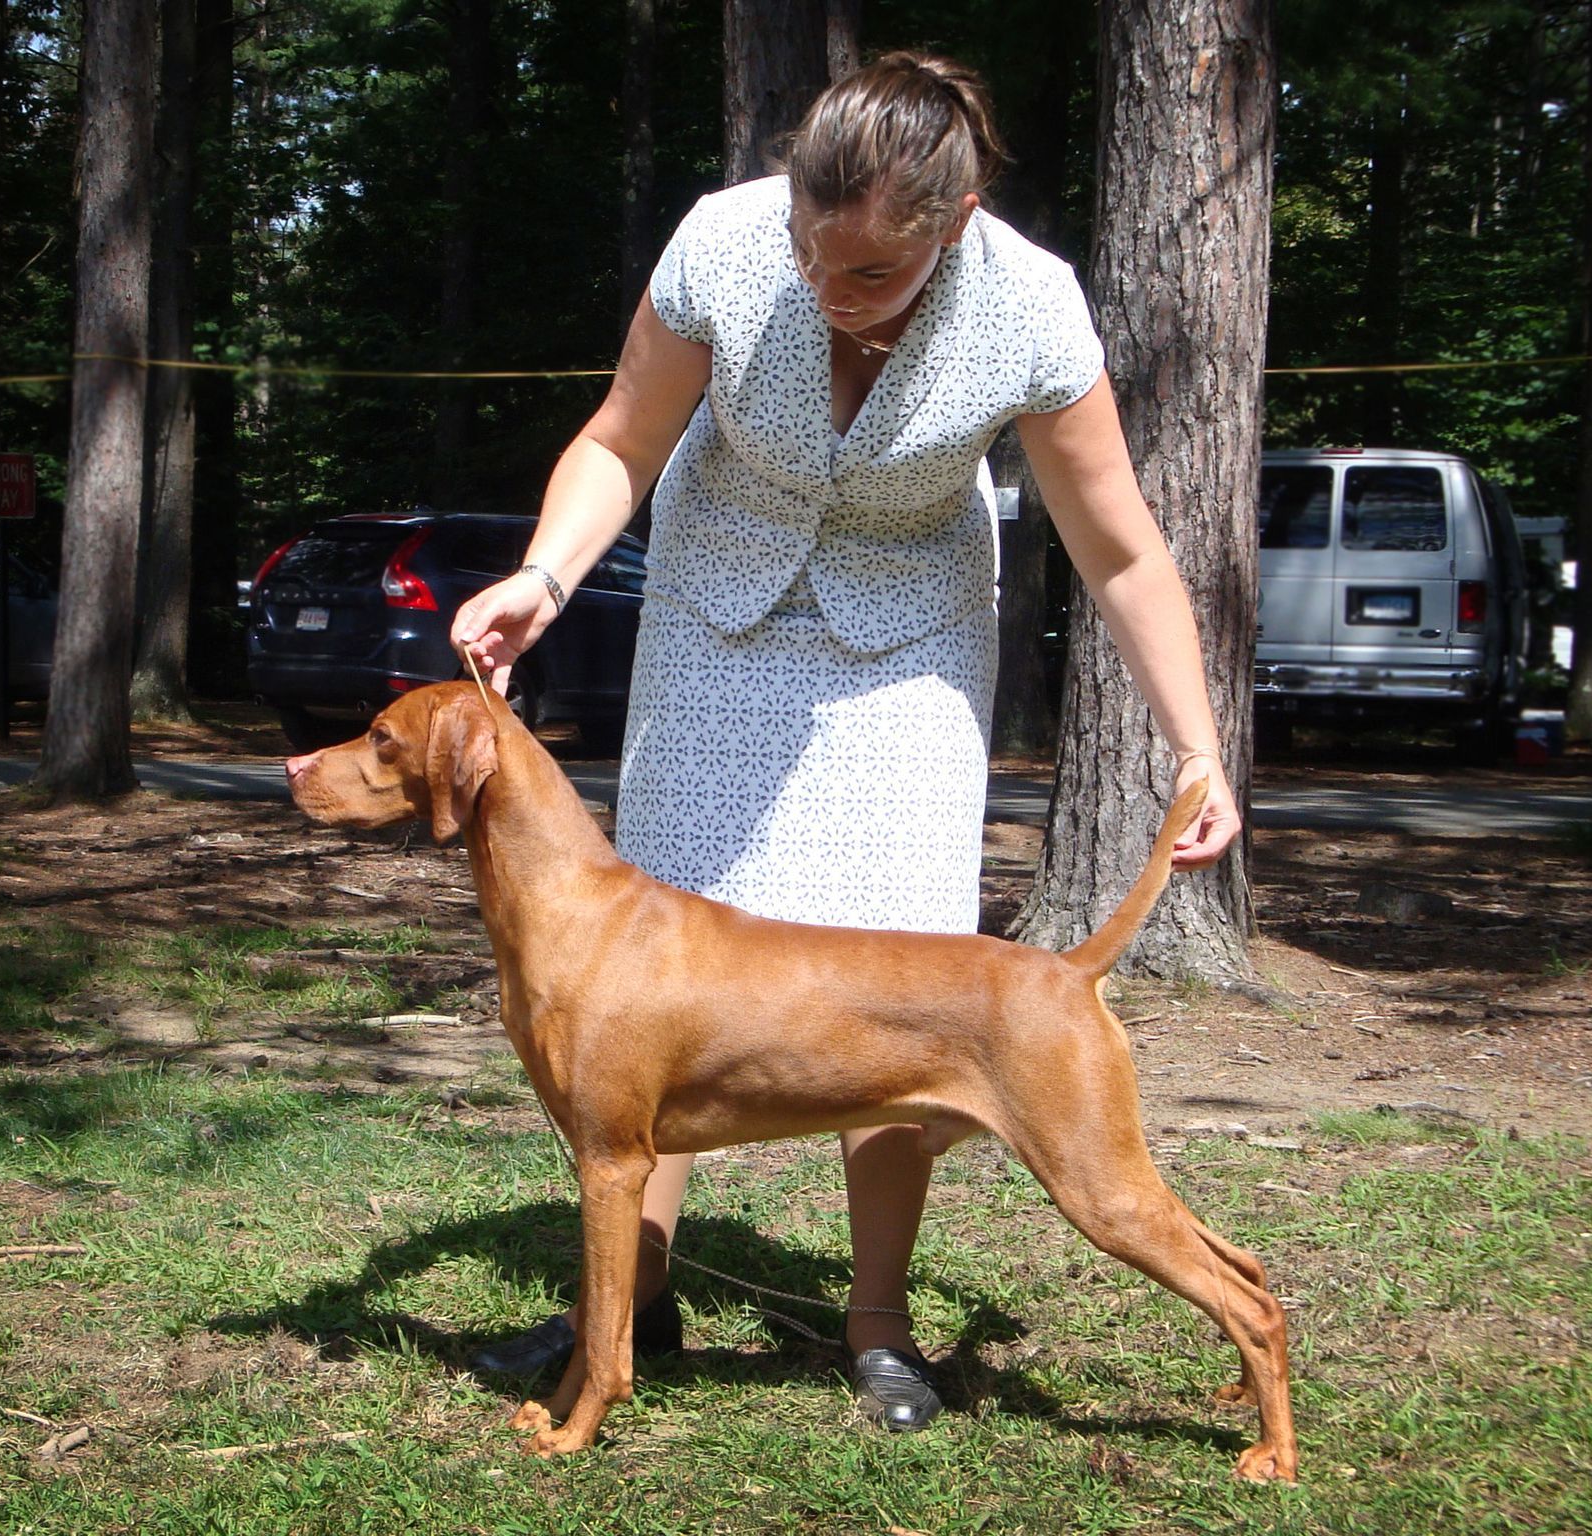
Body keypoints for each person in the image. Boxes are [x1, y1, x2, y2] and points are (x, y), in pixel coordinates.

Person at [451, 51, 1239, 1433]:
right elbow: (624, 441)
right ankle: (627, 1303)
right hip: (718, 615)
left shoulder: (1032, 306)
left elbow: (1117, 548)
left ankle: (878, 1327)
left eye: (871, 274)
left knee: (899, 975)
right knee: (656, 972)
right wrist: (546, 575)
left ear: (958, 215)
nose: (831, 289)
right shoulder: (721, 242)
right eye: (815, 256)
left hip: (909, 639)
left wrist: (1196, 745)